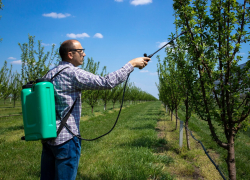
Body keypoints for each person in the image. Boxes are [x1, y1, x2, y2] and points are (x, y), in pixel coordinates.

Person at [40, 39, 150, 180]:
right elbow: (106, 82)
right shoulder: (72, 73)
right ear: (70, 54)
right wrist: (131, 64)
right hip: (66, 139)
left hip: (49, 137)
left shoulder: (49, 74)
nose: (84, 54)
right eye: (81, 51)